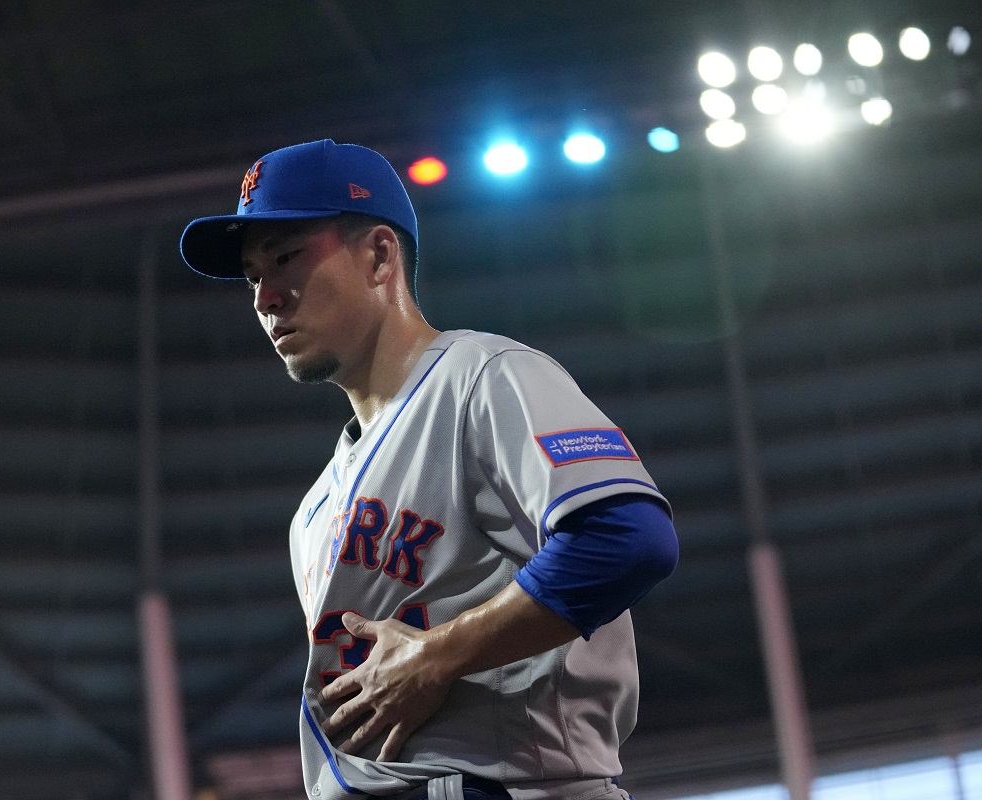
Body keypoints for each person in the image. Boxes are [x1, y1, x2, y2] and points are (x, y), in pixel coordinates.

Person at [179, 139, 678, 800]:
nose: (266, 297)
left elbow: (628, 538)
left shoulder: (483, 377)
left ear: (381, 254)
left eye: (287, 257)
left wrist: (436, 655)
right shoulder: (313, 512)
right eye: (251, 275)